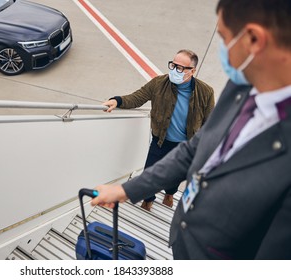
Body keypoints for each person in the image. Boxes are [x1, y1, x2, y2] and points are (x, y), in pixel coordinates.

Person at [91, 0, 291, 259]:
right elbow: (198, 146)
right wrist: (128, 190)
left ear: (254, 39)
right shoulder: (240, 88)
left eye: (224, 37)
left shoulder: (208, 92)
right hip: (182, 241)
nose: (224, 49)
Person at [103, 50, 215, 211]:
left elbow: (209, 122)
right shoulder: (158, 84)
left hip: (185, 146)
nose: (174, 70)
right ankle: (148, 200)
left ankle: (170, 194)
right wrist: (117, 101)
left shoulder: (206, 92)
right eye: (173, 65)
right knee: (149, 174)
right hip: (160, 141)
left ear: (192, 71)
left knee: (174, 177)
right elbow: (137, 97)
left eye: (180, 68)